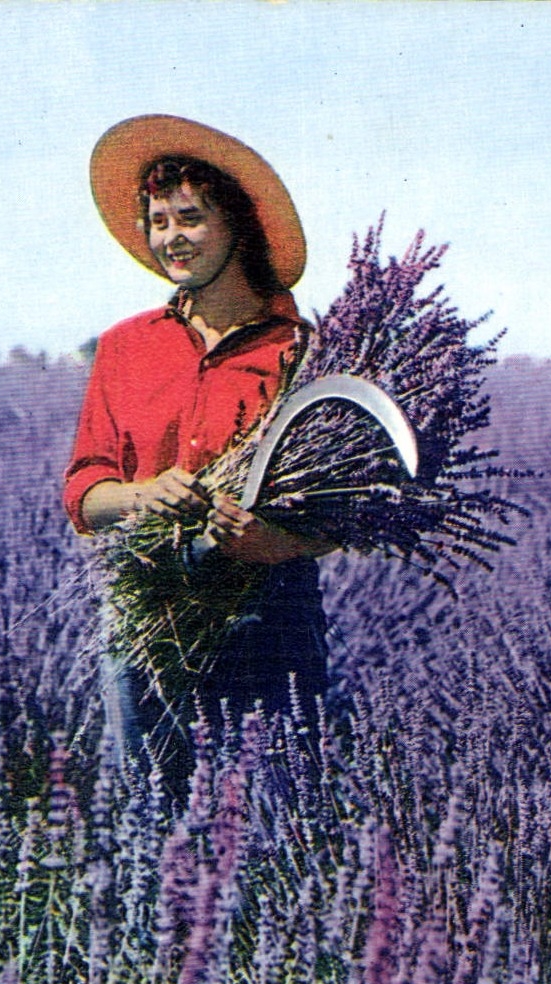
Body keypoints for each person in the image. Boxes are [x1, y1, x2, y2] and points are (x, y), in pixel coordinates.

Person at [63, 115, 334, 789]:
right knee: (149, 822)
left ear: (238, 224)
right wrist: (138, 496)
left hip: (266, 613)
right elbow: (84, 489)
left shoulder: (299, 348)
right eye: (157, 221)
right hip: (143, 611)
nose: (170, 239)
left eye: (190, 218)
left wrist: (280, 540)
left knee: (277, 827)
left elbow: (353, 501)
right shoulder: (127, 345)